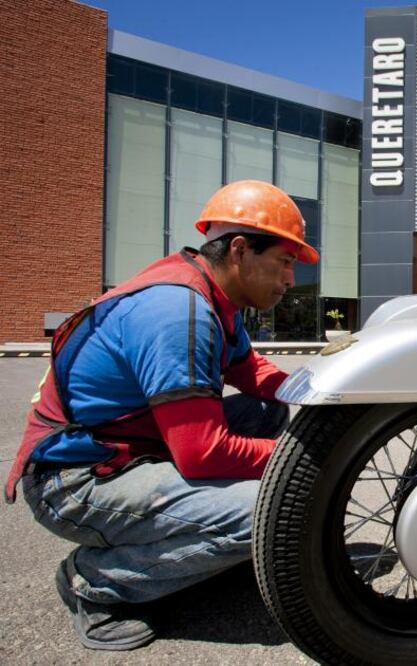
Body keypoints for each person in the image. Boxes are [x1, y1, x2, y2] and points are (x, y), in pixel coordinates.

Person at [4, 180, 319, 651]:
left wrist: (326, 395)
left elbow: (251, 371)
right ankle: (96, 582)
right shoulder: (179, 311)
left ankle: (197, 540)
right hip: (74, 480)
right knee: (272, 510)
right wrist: (313, 462)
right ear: (239, 250)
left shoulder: (213, 296)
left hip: (131, 447)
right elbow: (202, 452)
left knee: (264, 412)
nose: (291, 281)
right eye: (285, 262)